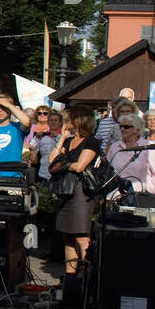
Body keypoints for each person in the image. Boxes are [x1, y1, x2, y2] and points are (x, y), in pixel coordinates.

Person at [48, 105, 102, 278]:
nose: (65, 122)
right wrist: (62, 139)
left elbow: (80, 167)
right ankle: (70, 276)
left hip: (80, 192)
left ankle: (86, 275)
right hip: (65, 191)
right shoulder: (69, 141)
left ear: (78, 120)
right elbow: (51, 163)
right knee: (68, 236)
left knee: (81, 236)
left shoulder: (91, 141)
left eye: (68, 119)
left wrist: (63, 164)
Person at [105, 113, 155, 195]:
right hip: (114, 194)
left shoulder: (148, 146)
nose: (122, 129)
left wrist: (151, 192)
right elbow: (108, 170)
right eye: (121, 126)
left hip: (138, 195)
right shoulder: (115, 146)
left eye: (126, 127)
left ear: (137, 130)